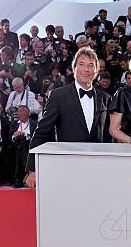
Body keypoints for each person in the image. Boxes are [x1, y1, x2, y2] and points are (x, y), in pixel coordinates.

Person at [25, 47, 112, 187]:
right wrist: (32, 169)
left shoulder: (106, 98)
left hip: (97, 168)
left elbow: (108, 136)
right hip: (66, 166)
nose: (86, 69)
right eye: (81, 64)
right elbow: (41, 132)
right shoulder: (58, 95)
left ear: (96, 71)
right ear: (74, 68)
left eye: (91, 66)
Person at [9, 105, 37, 188]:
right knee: (21, 148)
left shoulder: (34, 124)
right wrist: (14, 135)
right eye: (18, 111)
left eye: (22, 111)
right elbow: (10, 138)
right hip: (17, 145)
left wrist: (27, 135)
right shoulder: (14, 124)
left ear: (27, 113)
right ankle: (25, 175)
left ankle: (20, 178)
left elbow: (37, 137)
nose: (19, 113)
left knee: (24, 146)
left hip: (30, 145)